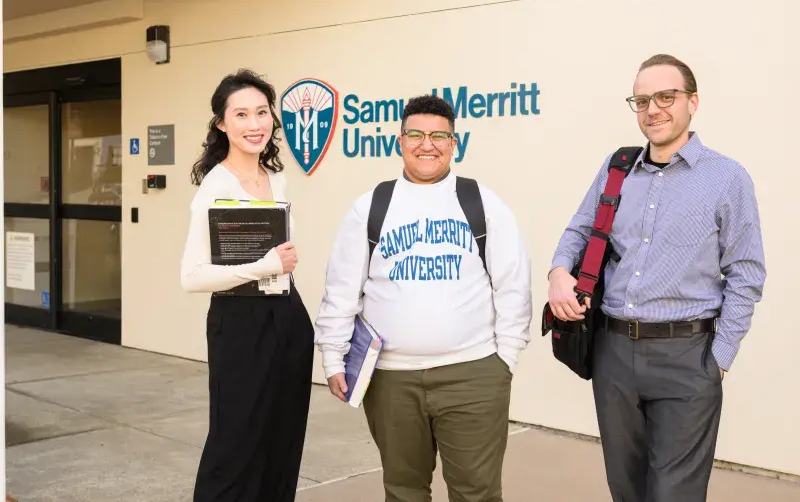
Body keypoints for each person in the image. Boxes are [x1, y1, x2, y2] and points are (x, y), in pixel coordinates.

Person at [547, 54, 767, 502]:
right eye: (642, 99)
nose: (654, 109)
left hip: (687, 357)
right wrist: (557, 273)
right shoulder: (618, 169)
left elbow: (746, 273)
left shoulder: (727, 178)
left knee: (674, 495)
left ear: (693, 102)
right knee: (626, 489)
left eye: (667, 96)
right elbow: (581, 230)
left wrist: (718, 361)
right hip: (613, 355)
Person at [315, 94, 532, 502]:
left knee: (477, 493)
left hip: (472, 374)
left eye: (438, 136)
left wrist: (505, 360)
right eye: (415, 134)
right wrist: (332, 356)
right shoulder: (371, 206)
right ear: (399, 140)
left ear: (455, 144)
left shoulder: (482, 203)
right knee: (403, 491)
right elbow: (341, 290)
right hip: (391, 379)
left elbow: (514, 286)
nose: (426, 144)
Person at [180, 69, 314, 502]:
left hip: (287, 315)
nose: (254, 124)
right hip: (239, 323)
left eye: (261, 112)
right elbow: (192, 276)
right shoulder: (214, 188)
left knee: (282, 438)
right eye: (241, 114)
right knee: (234, 444)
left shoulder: (276, 180)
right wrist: (262, 265)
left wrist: (276, 268)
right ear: (221, 123)